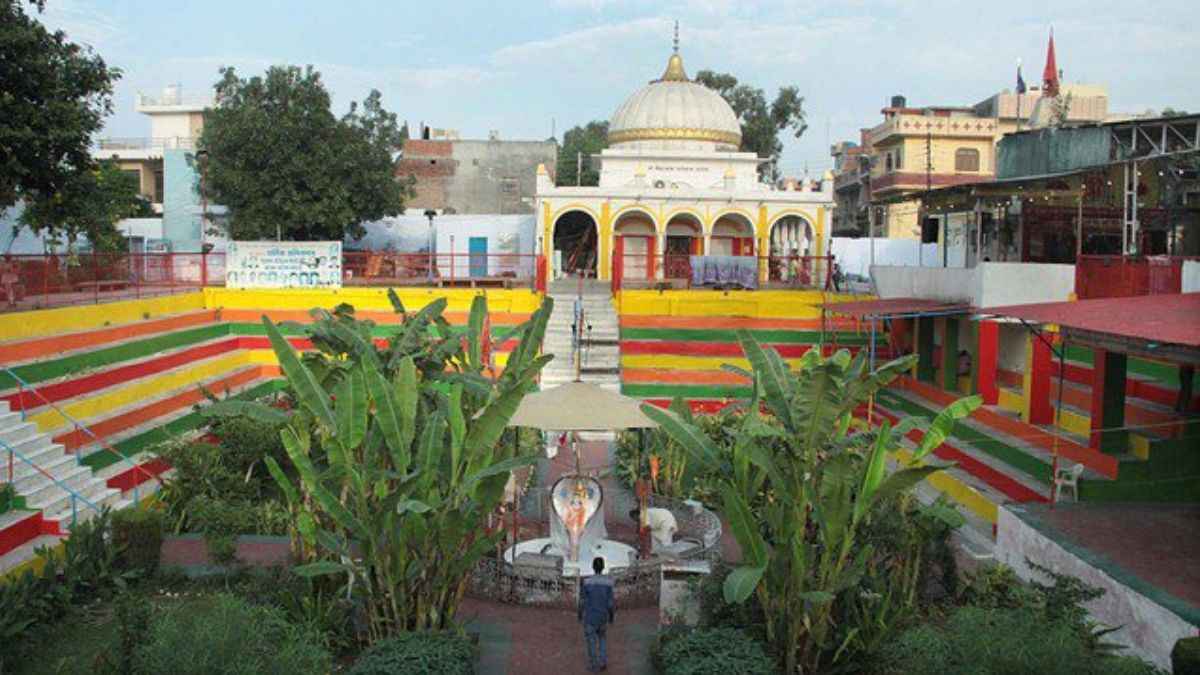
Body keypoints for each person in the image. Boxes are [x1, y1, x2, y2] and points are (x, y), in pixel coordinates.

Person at [579, 556, 615, 672]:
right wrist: (611, 617)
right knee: (602, 639)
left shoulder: (586, 582)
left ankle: (594, 665)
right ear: (603, 567)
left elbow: (582, 601)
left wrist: (579, 614)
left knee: (591, 642)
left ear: (593, 567)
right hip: (603, 616)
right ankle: (603, 662)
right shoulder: (609, 583)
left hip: (590, 617)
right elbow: (610, 603)